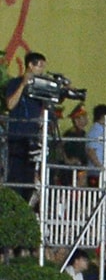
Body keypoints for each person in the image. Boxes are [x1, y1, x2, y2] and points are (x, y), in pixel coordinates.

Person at [2, 51, 49, 184]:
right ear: (30, 65)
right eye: (39, 66)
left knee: (29, 179)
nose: (41, 70)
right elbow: (10, 105)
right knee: (15, 178)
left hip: (33, 140)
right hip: (17, 138)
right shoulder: (15, 83)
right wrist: (23, 84)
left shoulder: (40, 87)